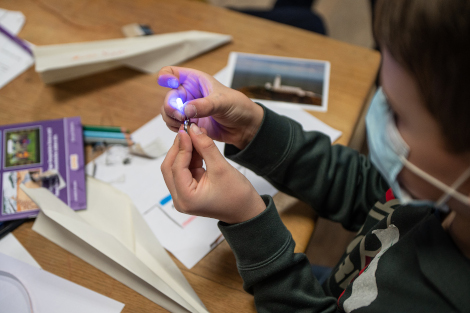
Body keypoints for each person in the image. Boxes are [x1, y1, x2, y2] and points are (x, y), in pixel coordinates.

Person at [157, 0, 470, 311]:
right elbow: (365, 188)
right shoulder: (439, 191)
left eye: (397, 113)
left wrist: (250, 224)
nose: (380, 117)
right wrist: (252, 130)